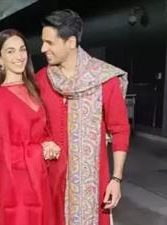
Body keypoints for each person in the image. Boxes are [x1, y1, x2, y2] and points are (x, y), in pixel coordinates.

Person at [35, 9, 130, 225]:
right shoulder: (41, 80)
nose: (43, 48)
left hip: (92, 183)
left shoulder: (104, 79)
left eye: (49, 42)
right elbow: (32, 127)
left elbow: (120, 130)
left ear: (70, 42)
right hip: (50, 182)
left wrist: (116, 179)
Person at [0, 29, 60, 225]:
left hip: (39, 179)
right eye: (10, 51)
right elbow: (2, 152)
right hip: (16, 186)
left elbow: (41, 130)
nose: (19, 56)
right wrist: (39, 151)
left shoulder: (33, 88)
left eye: (22, 50)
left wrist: (48, 143)